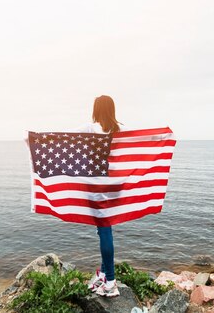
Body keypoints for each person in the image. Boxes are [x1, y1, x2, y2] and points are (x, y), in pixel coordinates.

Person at [73, 95, 122, 298]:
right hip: (116, 185)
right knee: (105, 228)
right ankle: (103, 274)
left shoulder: (90, 128)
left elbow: (63, 138)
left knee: (104, 230)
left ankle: (110, 281)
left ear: (96, 110)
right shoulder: (121, 130)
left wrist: (32, 139)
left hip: (99, 186)